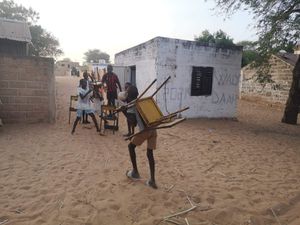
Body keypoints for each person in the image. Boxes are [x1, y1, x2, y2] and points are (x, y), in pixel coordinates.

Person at [123, 106, 158, 189]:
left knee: (130, 146)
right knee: (150, 153)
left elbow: (133, 123)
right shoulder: (142, 103)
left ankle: (135, 172)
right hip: (154, 129)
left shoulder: (133, 107)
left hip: (145, 130)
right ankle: (152, 180)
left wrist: (124, 112)